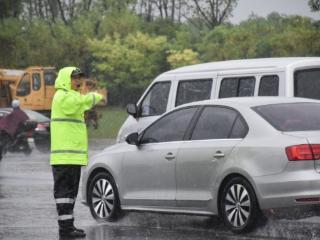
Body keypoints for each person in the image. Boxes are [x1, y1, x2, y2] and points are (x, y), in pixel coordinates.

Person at [50, 67, 103, 238]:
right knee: (64, 194)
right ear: (66, 79)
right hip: (64, 157)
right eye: (75, 78)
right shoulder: (62, 96)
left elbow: (79, 103)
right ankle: (65, 229)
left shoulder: (73, 95)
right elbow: (77, 105)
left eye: (80, 78)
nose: (78, 81)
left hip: (71, 156)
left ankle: (68, 226)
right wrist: (94, 96)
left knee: (70, 194)